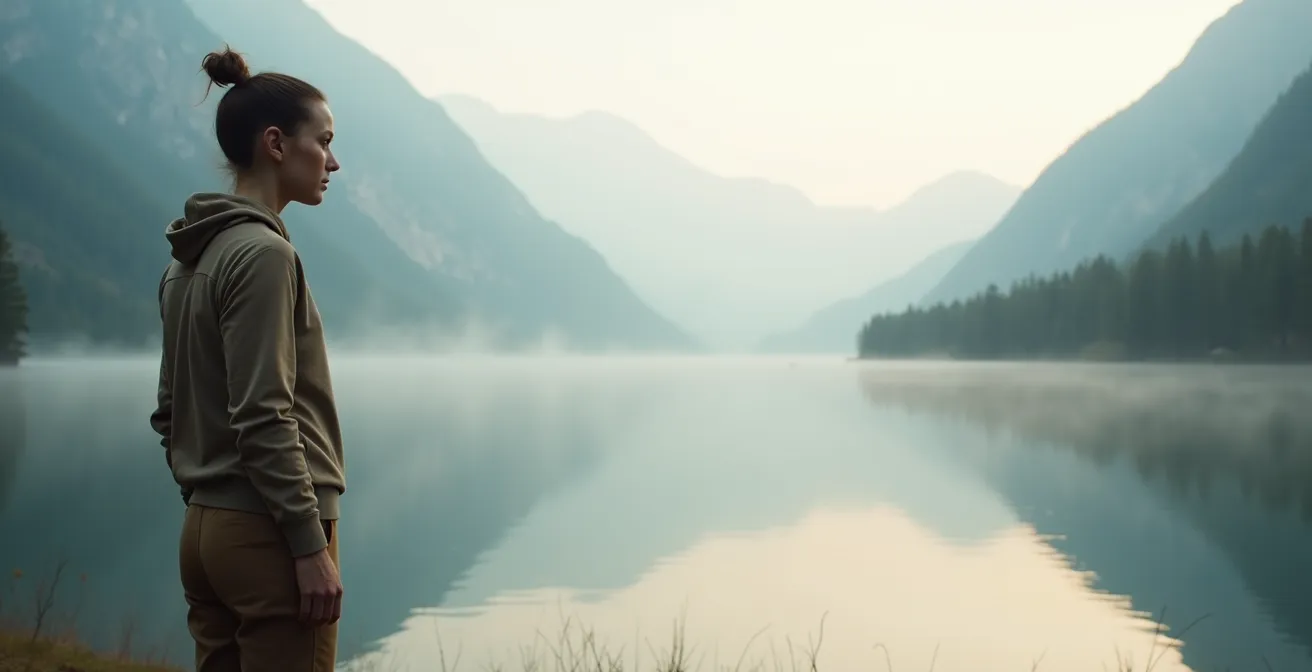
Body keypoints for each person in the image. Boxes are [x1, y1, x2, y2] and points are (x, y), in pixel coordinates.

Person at [148, 44, 346, 672]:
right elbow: (264, 414)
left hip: (206, 531)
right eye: (324, 140)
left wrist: (206, 495)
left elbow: (168, 412)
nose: (333, 162)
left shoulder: (188, 261)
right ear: (276, 144)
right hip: (268, 533)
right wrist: (308, 543)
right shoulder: (264, 256)